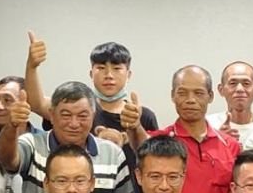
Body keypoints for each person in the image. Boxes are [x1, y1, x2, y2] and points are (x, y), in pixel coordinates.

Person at [0, 79, 137, 193]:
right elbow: (7, 160)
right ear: (51, 115)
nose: (74, 124)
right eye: (66, 115)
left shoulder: (113, 154)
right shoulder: (33, 144)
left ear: (93, 115)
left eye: (82, 116)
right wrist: (12, 126)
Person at [24, 35, 159, 153]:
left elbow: (154, 155)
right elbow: (37, 104)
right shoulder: (78, 109)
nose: (109, 75)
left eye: (117, 68)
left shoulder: (143, 115)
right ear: (91, 74)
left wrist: (137, 126)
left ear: (128, 75)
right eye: (101, 68)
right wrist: (32, 66)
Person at [149, 65, 240, 193]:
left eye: (198, 93)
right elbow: (137, 141)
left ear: (210, 96)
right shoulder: (158, 142)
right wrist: (132, 129)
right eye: (182, 93)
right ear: (173, 95)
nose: (190, 100)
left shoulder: (230, 146)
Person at [207, 61, 253, 142]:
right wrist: (216, 141)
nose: (239, 89)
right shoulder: (206, 126)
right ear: (221, 89)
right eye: (233, 83)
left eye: (246, 83)